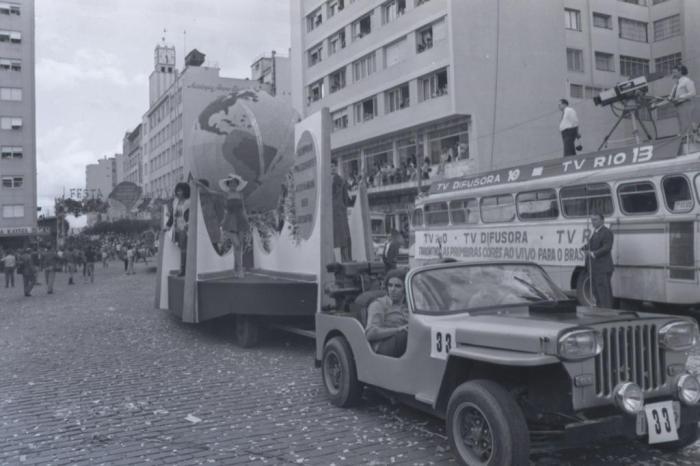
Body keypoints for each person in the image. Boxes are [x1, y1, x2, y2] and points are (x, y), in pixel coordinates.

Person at [365, 269, 409, 357]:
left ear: (405, 288)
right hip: (382, 345)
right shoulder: (378, 304)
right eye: (390, 285)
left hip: (406, 345)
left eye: (398, 286)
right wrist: (398, 330)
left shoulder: (408, 305)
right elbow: (370, 333)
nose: (393, 289)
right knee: (404, 335)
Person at [218, 173, 250, 278]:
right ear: (228, 184)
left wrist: (246, 220)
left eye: (234, 183)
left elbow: (243, 208)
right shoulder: (225, 195)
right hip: (230, 220)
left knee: (239, 246)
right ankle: (239, 269)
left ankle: (237, 269)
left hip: (241, 219)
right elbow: (223, 209)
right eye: (230, 183)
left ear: (237, 184)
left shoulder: (241, 194)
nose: (232, 185)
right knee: (236, 244)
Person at [581, 212, 614, 308]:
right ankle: (600, 310)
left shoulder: (606, 232)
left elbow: (607, 247)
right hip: (595, 268)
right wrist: (585, 248)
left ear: (602, 220)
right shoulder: (596, 232)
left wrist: (593, 253)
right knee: (596, 291)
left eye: (595, 219)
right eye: (592, 220)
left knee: (603, 292)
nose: (593, 222)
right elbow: (592, 245)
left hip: (603, 267)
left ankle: (606, 311)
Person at [165, 182, 191, 277]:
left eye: (181, 190)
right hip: (177, 227)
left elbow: (191, 215)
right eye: (178, 190)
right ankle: (184, 268)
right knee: (181, 248)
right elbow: (172, 215)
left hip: (186, 227)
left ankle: (183, 269)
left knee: (184, 249)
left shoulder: (189, 201)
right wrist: (167, 226)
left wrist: (188, 224)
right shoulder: (175, 202)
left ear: (185, 191)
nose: (179, 192)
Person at [331, 160, 353, 262]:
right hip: (329, 214)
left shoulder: (342, 181)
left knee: (343, 239)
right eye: (330, 167)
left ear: (336, 167)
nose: (331, 169)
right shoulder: (323, 180)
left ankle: (346, 260)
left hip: (338, 213)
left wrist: (342, 208)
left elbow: (345, 200)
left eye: (333, 167)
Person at [669, 65, 697, 139]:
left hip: (686, 105)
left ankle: (691, 138)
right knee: (682, 125)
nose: (673, 74)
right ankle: (683, 137)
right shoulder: (676, 84)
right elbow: (671, 96)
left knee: (688, 124)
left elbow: (693, 93)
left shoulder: (687, 81)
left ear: (680, 72)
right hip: (678, 106)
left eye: (674, 72)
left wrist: (680, 97)